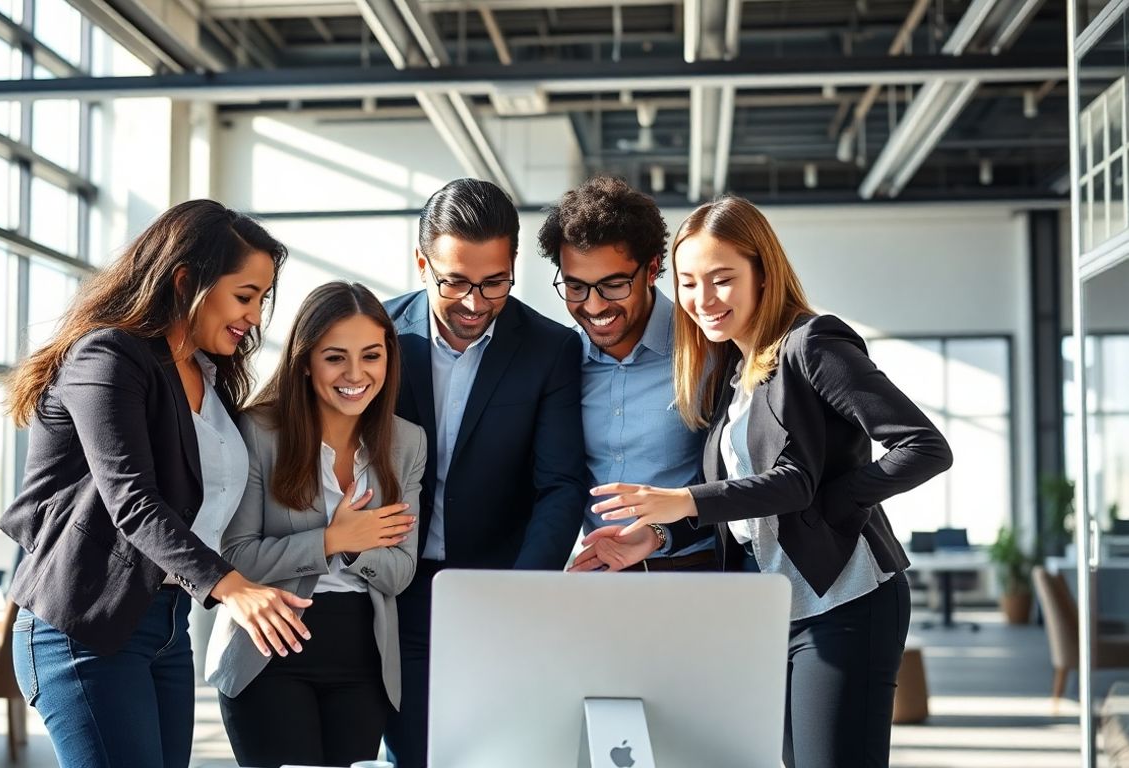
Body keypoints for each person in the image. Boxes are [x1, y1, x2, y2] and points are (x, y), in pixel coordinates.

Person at [589, 195, 953, 767]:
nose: (703, 300)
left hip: (845, 600)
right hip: (769, 611)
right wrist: (658, 535)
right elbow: (751, 507)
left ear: (763, 271)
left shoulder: (813, 344)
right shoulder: (734, 369)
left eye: (722, 279)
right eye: (688, 283)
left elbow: (923, 447)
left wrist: (838, 500)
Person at [0, 200, 313, 768]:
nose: (255, 315)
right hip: (84, 626)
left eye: (263, 298)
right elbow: (132, 500)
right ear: (186, 280)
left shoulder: (207, 375)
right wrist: (234, 587)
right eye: (245, 295)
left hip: (166, 625)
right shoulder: (106, 355)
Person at [383, 178, 588, 768]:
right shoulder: (375, 337)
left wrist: (521, 591)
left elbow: (560, 484)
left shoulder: (550, 349)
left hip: (500, 585)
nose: (475, 303)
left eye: (495, 282)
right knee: (415, 755)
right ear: (423, 262)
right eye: (455, 281)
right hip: (397, 588)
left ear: (513, 265)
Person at [208, 281, 427, 768]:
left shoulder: (406, 443)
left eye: (371, 356)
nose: (355, 374)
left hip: (364, 660)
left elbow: (400, 570)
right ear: (305, 361)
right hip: (269, 650)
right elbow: (235, 557)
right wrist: (333, 539)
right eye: (335, 358)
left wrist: (354, 550)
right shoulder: (259, 432)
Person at [537, 176, 717, 574]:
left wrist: (661, 531)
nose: (594, 305)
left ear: (652, 268)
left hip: (700, 573)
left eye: (614, 284)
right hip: (603, 580)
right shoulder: (558, 364)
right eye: (576, 287)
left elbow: (744, 485)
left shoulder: (709, 351)